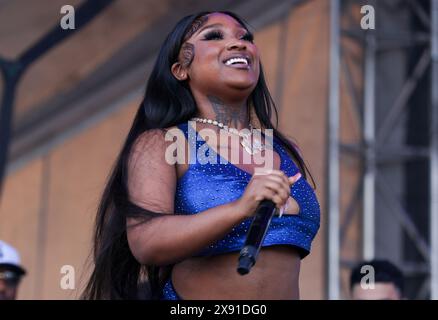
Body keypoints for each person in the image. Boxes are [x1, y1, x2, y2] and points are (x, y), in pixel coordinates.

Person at [82, 11, 320, 300]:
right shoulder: (162, 143)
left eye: (245, 37)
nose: (239, 43)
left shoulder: (285, 148)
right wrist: (240, 208)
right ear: (181, 69)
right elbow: (146, 241)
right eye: (214, 36)